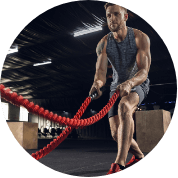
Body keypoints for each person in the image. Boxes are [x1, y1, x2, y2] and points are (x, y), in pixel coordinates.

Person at [89, 3, 151, 174]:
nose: (112, 19)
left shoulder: (140, 37)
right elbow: (101, 74)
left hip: (138, 84)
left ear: (125, 16)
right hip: (116, 88)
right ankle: (139, 156)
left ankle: (119, 164)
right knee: (117, 134)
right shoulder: (103, 44)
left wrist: (130, 83)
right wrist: (97, 85)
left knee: (124, 106)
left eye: (116, 14)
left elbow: (143, 71)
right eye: (109, 15)